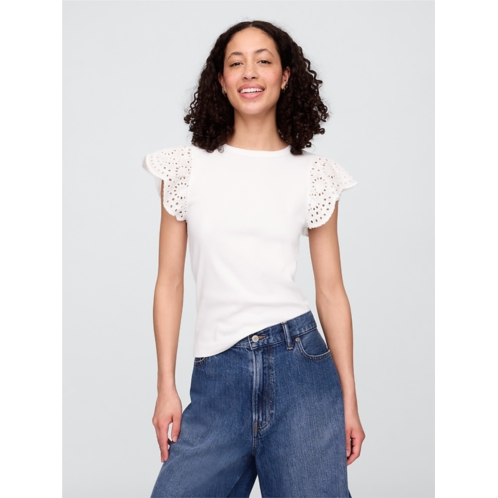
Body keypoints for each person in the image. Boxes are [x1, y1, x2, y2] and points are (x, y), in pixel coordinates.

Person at [142, 19, 365, 498]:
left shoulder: (315, 175)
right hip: (217, 376)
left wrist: (349, 399)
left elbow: (331, 291)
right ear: (221, 80)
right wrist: (166, 386)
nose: (250, 72)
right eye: (236, 62)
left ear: (285, 76)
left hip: (300, 369)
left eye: (263, 60)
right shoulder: (185, 168)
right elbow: (169, 283)